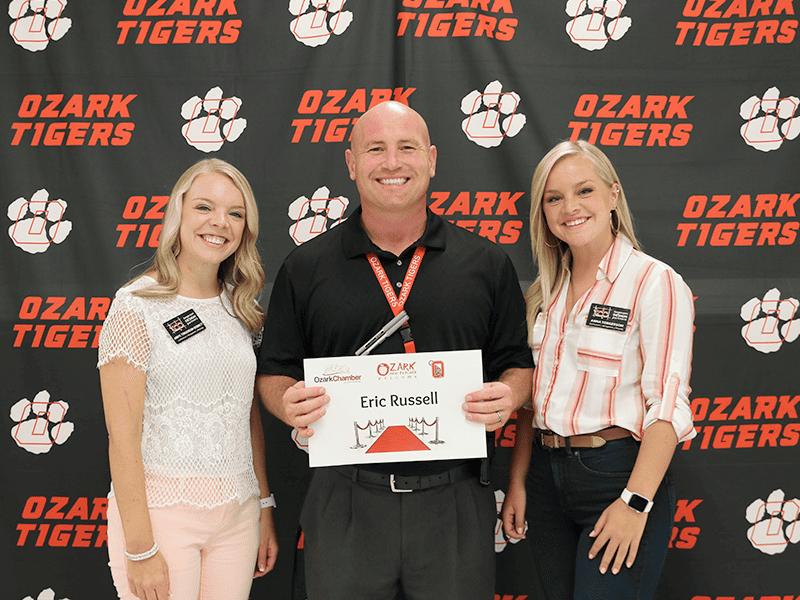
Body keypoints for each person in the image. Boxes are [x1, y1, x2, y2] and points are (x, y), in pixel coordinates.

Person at [256, 100, 533, 600]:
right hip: (345, 498)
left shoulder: (487, 263)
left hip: (455, 499)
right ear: (350, 163)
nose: (391, 163)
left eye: (406, 148)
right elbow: (274, 372)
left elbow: (516, 363)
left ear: (431, 159)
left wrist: (508, 397)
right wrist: (286, 401)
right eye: (375, 149)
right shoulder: (305, 268)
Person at [501, 140, 696, 600]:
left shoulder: (654, 281)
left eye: (584, 190)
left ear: (613, 196)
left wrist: (635, 502)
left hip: (617, 475)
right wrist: (518, 482)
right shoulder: (544, 295)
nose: (570, 207)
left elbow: (666, 407)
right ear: (543, 213)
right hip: (547, 480)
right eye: (554, 198)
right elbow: (532, 401)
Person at [98, 159, 278, 600]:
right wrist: (140, 549)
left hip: (237, 517)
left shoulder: (242, 309)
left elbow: (245, 415)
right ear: (178, 213)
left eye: (235, 213)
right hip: (161, 517)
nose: (220, 223)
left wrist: (263, 505)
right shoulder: (136, 306)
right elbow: (122, 438)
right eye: (204, 207)